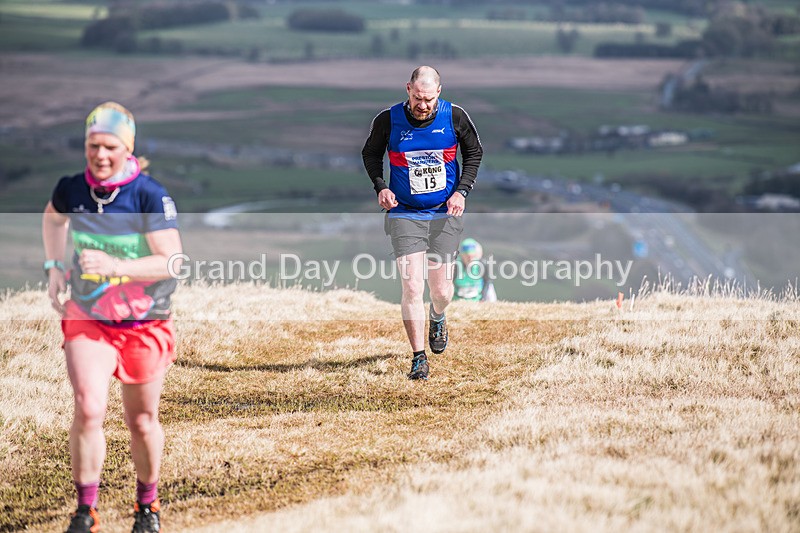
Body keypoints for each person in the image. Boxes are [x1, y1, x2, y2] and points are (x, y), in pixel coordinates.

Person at [42, 102, 182, 533]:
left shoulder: (148, 194)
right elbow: (53, 218)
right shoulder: (71, 188)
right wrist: (53, 268)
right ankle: (86, 511)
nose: (100, 155)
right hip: (89, 316)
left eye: (110, 147)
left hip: (144, 321)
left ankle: (148, 506)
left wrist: (114, 268)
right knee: (88, 407)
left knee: (141, 421)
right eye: (92, 145)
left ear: (128, 148)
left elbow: (172, 262)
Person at [362, 66, 483, 380]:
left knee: (441, 290)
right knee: (413, 286)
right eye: (417, 98)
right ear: (408, 90)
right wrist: (381, 186)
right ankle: (418, 358)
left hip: (445, 213)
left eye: (429, 99)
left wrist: (462, 191)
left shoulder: (454, 117)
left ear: (438, 93)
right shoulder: (388, 120)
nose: (423, 105)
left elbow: (474, 151)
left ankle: (438, 315)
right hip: (405, 213)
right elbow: (371, 153)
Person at [454, 238, 497, 303]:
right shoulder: (455, 266)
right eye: (467, 256)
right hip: (457, 301)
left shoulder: (482, 265)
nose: (470, 259)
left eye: (472, 256)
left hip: (476, 301)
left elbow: (487, 281)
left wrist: (483, 298)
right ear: (462, 255)